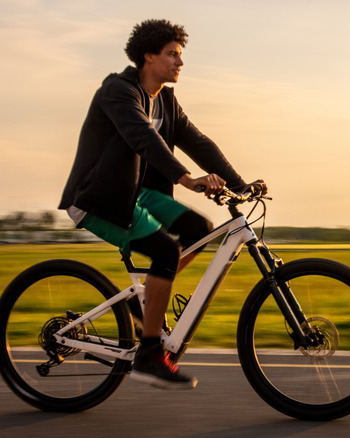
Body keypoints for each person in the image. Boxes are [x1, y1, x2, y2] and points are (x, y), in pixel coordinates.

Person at [59, 19, 265, 389]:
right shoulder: (118, 91)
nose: (179, 62)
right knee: (166, 252)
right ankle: (149, 353)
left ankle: (146, 303)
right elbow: (141, 137)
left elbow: (198, 142)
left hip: (135, 192)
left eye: (180, 56)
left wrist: (239, 184)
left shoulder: (166, 100)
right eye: (172, 54)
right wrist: (186, 178)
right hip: (99, 198)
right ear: (148, 56)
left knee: (197, 230)